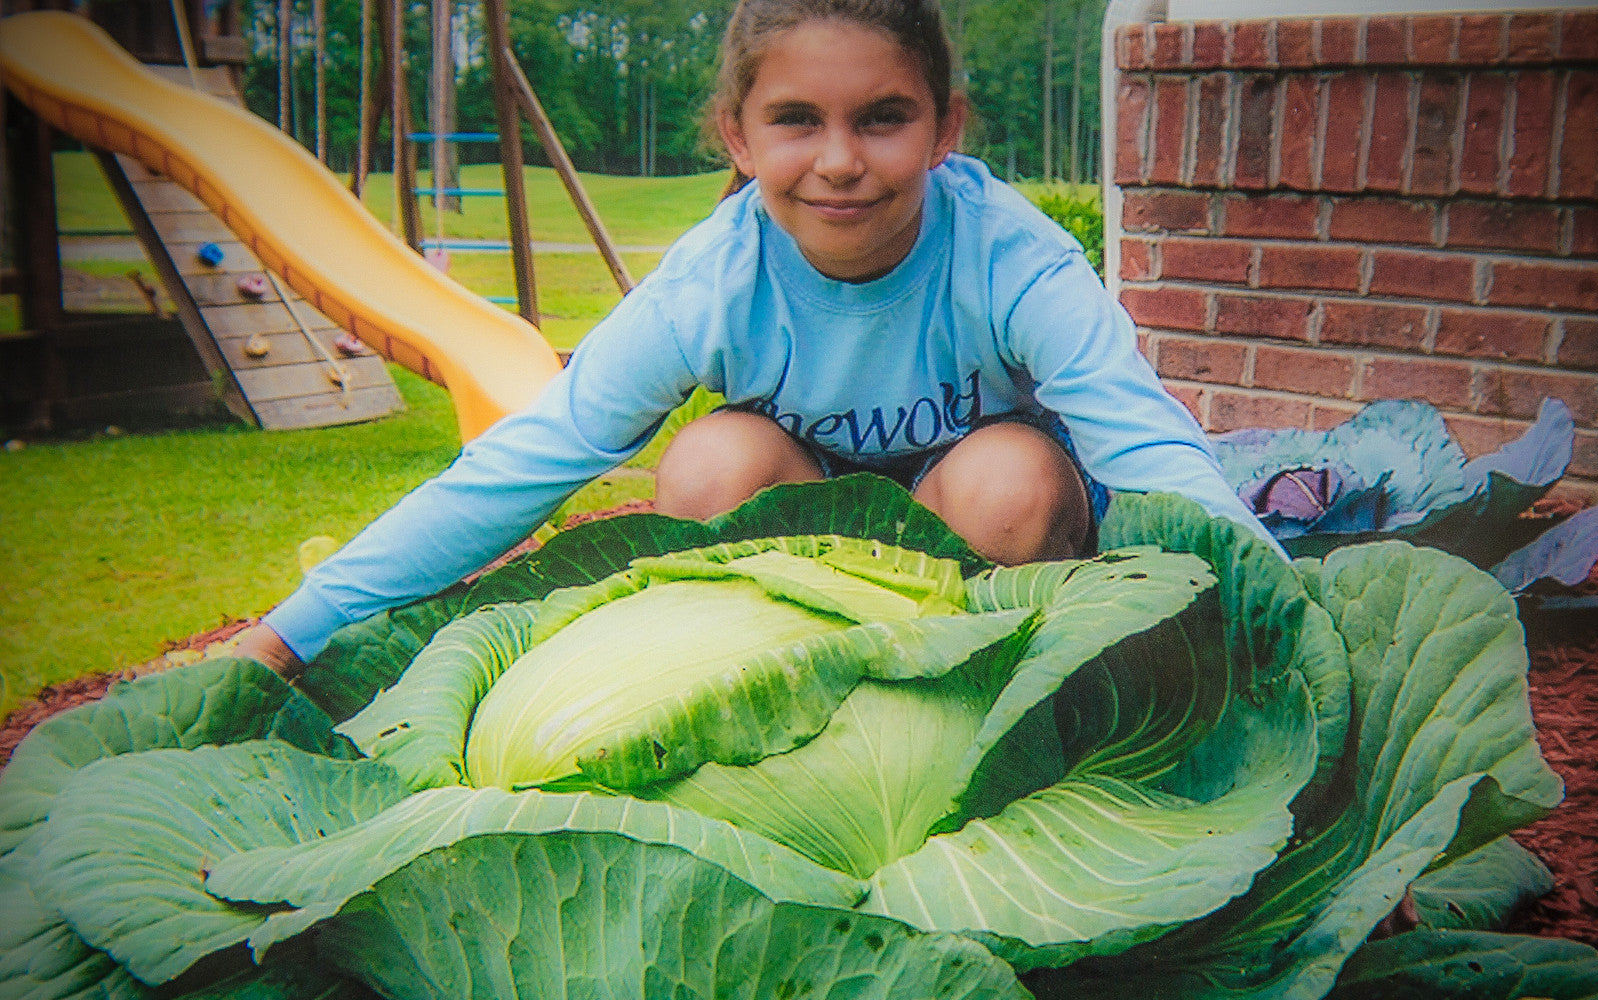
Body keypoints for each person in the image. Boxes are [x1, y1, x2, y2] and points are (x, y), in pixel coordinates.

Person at [234, 0, 1281, 678]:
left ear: (943, 128)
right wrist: (292, 631)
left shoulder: (1012, 257)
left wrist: (1290, 634)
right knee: (706, 463)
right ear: (736, 135)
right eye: (794, 120)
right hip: (820, 545)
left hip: (992, 542)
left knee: (1002, 482)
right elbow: (524, 461)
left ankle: (996, 714)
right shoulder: (710, 284)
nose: (838, 160)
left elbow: (1145, 445)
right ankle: (789, 698)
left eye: (881, 117)